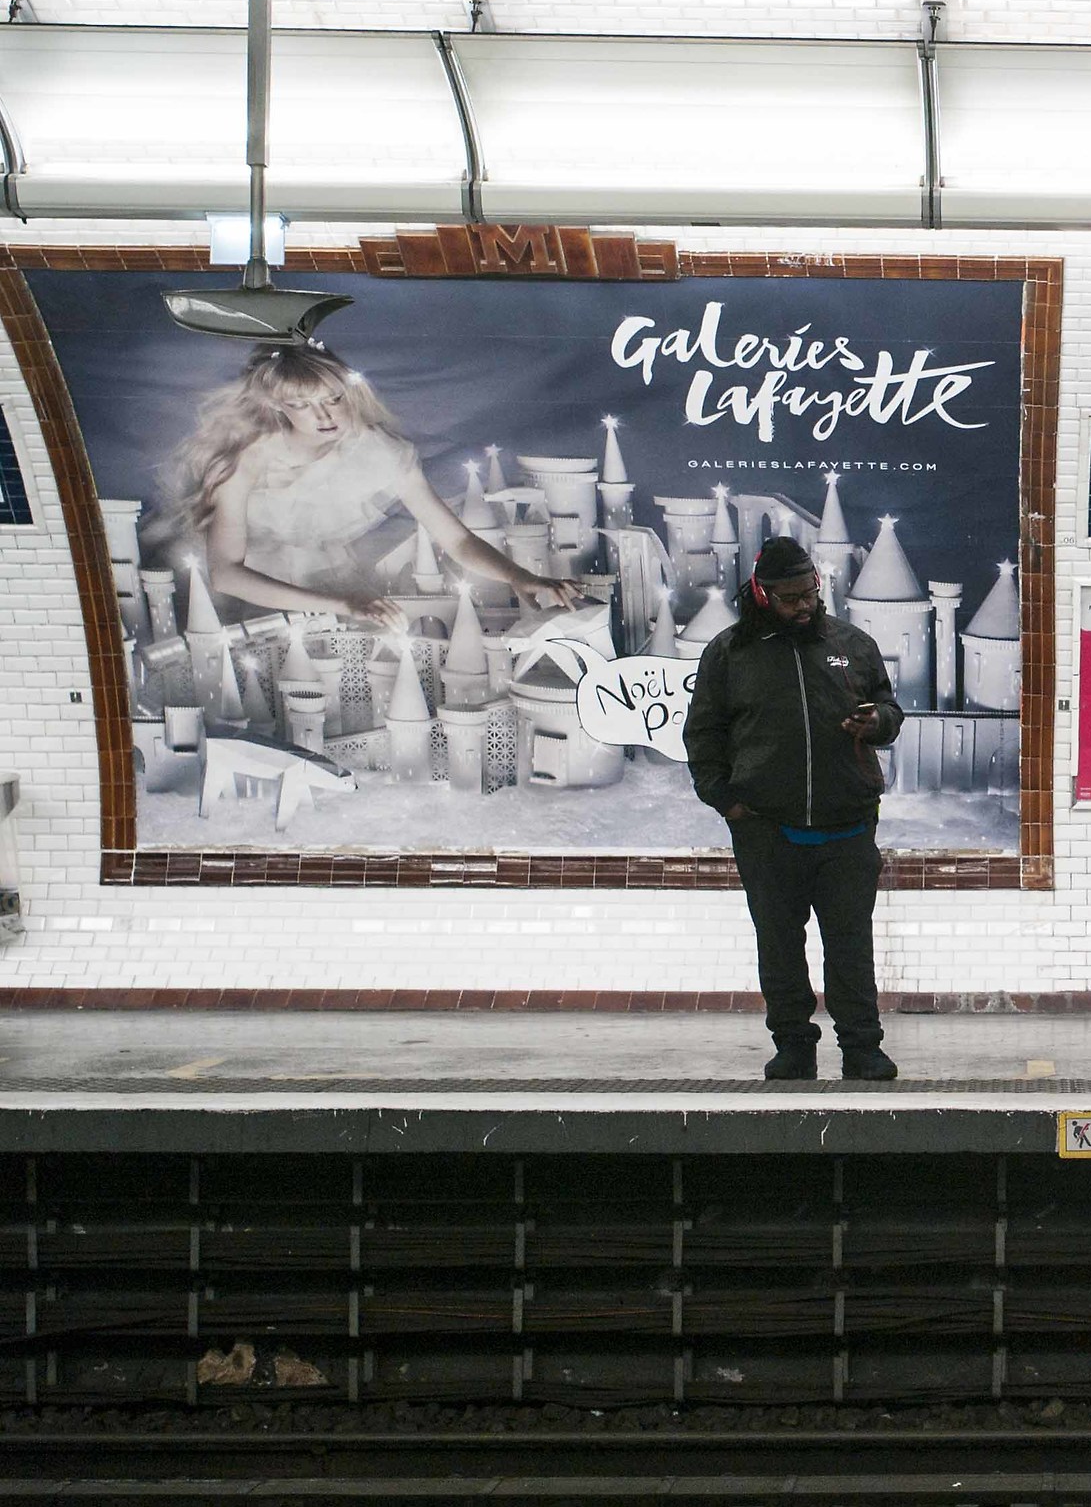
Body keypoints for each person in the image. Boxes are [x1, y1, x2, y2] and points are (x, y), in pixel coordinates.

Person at [684, 537, 904, 1082]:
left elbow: (890, 707)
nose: (804, 605)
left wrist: (878, 722)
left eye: (810, 592)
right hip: (766, 831)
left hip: (848, 829)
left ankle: (862, 1049)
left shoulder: (852, 644)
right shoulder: (729, 654)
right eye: (790, 598)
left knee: (850, 946)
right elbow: (703, 735)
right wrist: (727, 801)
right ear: (761, 593)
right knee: (780, 947)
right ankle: (793, 1047)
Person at [160, 343, 583, 627]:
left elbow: (455, 541)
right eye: (302, 405)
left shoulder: (380, 450)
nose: (324, 415)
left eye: (333, 399)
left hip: (335, 598)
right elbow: (226, 575)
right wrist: (345, 604)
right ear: (277, 406)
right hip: (243, 606)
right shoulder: (245, 462)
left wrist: (520, 576)